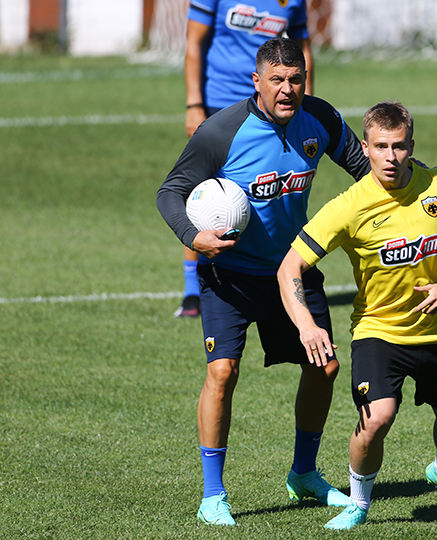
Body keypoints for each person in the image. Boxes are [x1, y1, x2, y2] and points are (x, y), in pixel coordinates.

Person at [156, 37, 370, 526]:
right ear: (257, 81)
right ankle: (213, 496)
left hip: (291, 270)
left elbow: (364, 170)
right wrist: (193, 236)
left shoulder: (320, 119)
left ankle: (304, 474)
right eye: (277, 80)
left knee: (325, 368)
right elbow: (170, 192)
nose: (287, 89)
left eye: (296, 79)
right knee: (222, 372)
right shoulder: (221, 131)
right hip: (228, 277)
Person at [277, 100, 437, 530]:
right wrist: (306, 324)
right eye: (380, 147)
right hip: (379, 332)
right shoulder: (349, 206)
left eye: (398, 146)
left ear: (411, 146)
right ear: (365, 148)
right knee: (377, 417)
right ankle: (358, 504)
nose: (390, 157)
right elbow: (289, 268)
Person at [176, 0, 315, 317]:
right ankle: (192, 289)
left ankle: (272, 273)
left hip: (273, 105)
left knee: (270, 186)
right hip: (220, 104)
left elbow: (303, 48)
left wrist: (306, 104)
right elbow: (194, 41)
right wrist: (194, 103)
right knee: (204, 194)